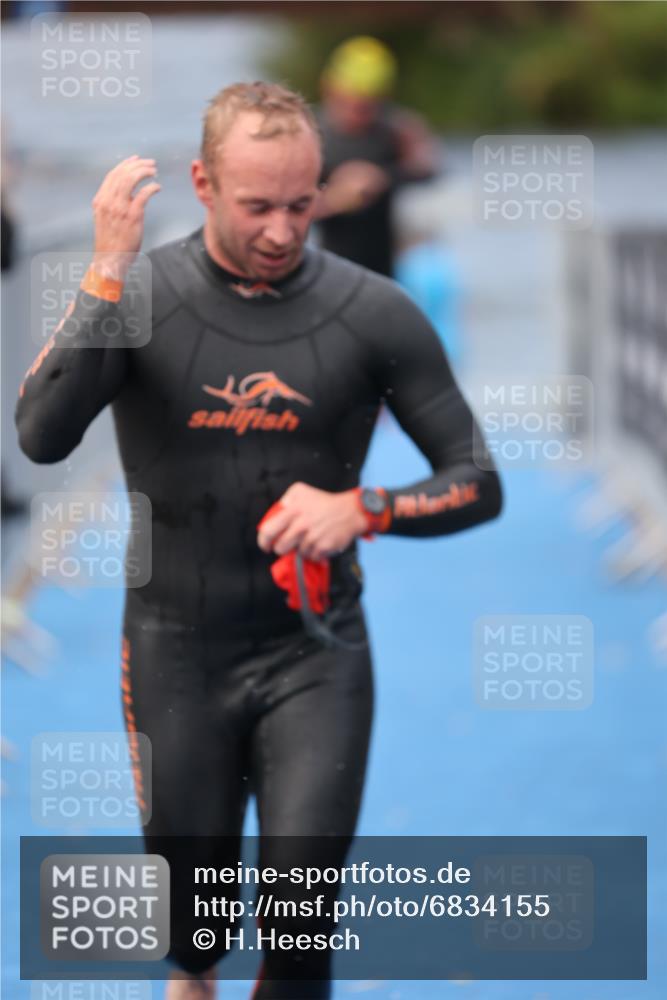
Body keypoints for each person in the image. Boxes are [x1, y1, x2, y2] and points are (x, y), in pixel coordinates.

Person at [16, 82, 502, 999]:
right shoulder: (141, 295)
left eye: (301, 203)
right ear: (202, 183)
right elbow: (40, 434)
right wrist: (105, 272)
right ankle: (190, 979)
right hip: (173, 652)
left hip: (314, 651)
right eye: (256, 206)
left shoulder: (373, 312)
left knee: (299, 927)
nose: (282, 230)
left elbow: (477, 481)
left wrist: (366, 508)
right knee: (193, 934)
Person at [315, 36, 439, 277]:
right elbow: (287, 208)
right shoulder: (313, 135)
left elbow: (429, 170)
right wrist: (336, 198)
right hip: (329, 270)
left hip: (385, 269)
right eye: (353, 103)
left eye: (369, 105)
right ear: (330, 88)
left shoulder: (396, 130)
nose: (360, 113)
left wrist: (381, 178)